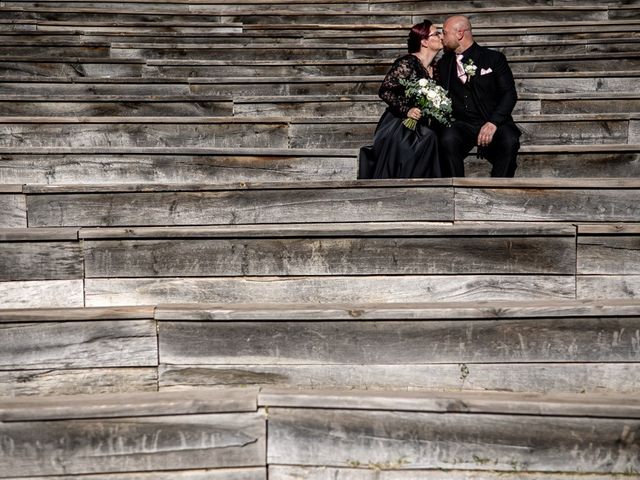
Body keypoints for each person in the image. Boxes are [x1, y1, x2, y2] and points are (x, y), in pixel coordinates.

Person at [437, 15, 521, 177]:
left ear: (460, 34)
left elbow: (509, 94)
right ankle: (457, 189)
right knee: (447, 139)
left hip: (491, 119)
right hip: (461, 124)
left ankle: (498, 190)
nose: (442, 37)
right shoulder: (443, 63)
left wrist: (493, 122)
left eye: (445, 33)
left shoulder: (494, 58)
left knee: (510, 141)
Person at [359, 19, 444, 179]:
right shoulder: (407, 62)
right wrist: (407, 110)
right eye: (436, 33)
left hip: (424, 121)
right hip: (399, 123)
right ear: (424, 41)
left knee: (434, 137)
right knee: (426, 139)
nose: (441, 36)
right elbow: (385, 90)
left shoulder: (436, 68)